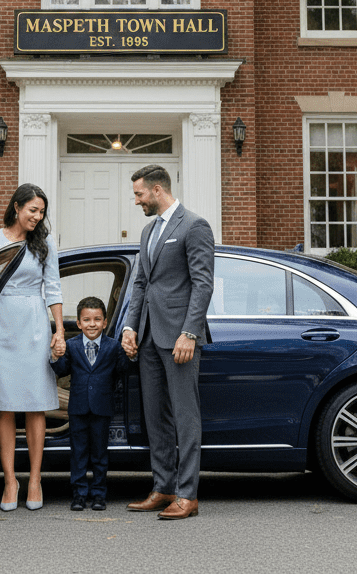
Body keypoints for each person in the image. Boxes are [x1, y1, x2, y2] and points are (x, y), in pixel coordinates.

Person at [120, 163, 214, 521]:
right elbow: (141, 283)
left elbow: (203, 283)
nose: (137, 200)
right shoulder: (148, 231)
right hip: (147, 337)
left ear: (157, 190)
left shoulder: (194, 225)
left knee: (185, 417)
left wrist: (189, 332)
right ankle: (163, 488)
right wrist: (130, 328)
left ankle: (187, 495)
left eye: (139, 194)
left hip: (179, 338)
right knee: (154, 417)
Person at [0, 183, 65, 511]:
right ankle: (10, 480)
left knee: (35, 404)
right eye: (32, 210)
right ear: (17, 207)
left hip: (34, 325)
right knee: (5, 405)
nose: (37, 217)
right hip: (1, 325)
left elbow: (53, 288)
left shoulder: (45, 243)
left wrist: (58, 332)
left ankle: (36, 479)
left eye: (41, 212)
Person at [50, 296, 129, 511]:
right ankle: (78, 494)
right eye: (86, 320)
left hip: (102, 408)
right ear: (78, 323)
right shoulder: (71, 345)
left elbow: (123, 369)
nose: (91, 324)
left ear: (104, 322)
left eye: (97, 319)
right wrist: (56, 357)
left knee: (100, 454)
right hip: (78, 409)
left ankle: (99, 494)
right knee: (78, 453)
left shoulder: (113, 346)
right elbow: (62, 369)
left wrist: (130, 354)